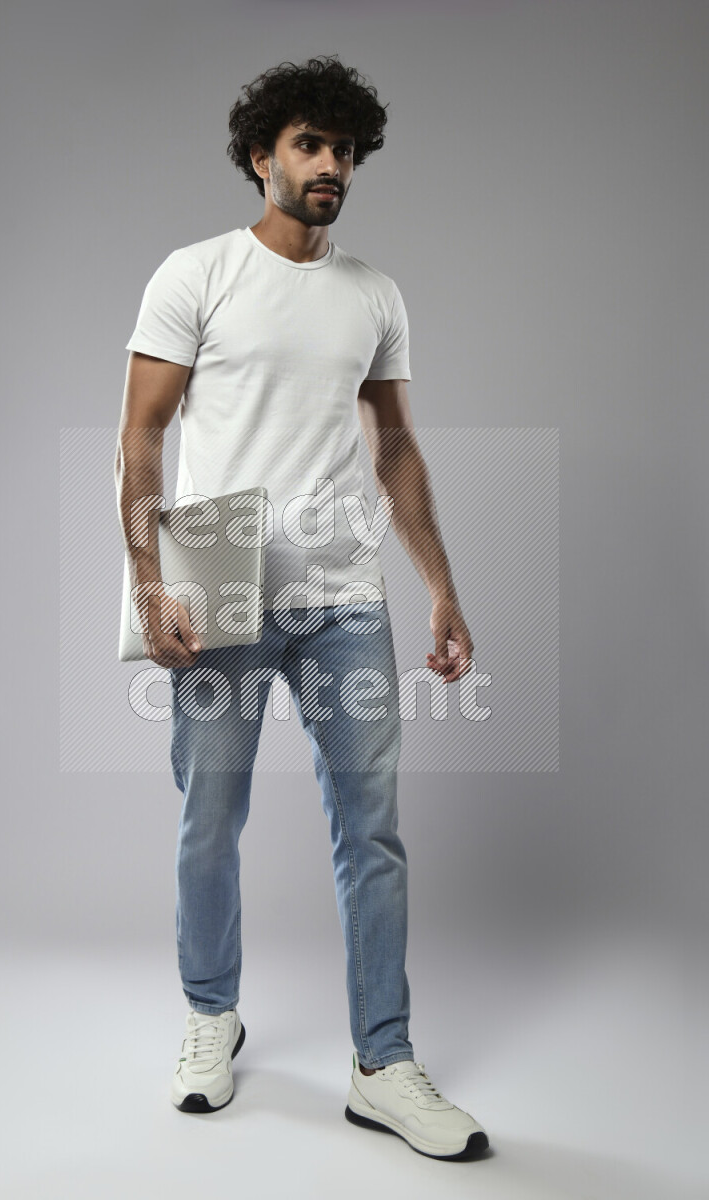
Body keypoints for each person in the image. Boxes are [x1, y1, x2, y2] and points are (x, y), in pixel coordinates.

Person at [115, 54, 489, 1161]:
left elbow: (396, 447)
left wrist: (441, 587)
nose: (331, 165)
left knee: (370, 828)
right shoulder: (197, 275)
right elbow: (140, 435)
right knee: (209, 819)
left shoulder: (373, 294)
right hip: (223, 593)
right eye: (309, 145)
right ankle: (210, 1016)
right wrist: (149, 582)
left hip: (343, 600)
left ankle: (383, 1064)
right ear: (260, 157)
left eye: (345, 149)